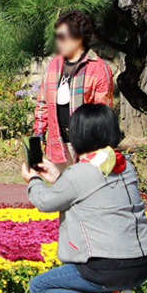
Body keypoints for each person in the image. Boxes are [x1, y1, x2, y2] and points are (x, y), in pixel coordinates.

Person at [22, 103, 147, 293]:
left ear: (79, 135)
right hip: (143, 263)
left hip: (107, 267)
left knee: (40, 288)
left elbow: (45, 202)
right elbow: (90, 188)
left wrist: (33, 180)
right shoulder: (122, 164)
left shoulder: (80, 173)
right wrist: (60, 178)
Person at [33, 9, 114, 172]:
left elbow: (103, 113)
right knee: (60, 193)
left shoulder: (98, 68)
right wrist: (37, 138)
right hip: (57, 145)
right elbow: (42, 105)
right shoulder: (53, 66)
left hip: (87, 147)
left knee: (85, 193)